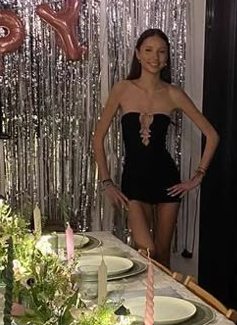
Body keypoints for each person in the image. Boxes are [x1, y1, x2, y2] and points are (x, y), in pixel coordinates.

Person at [93, 28, 219, 268]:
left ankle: (162, 305)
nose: (155, 57)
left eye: (162, 51)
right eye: (149, 50)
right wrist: (107, 183)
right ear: (138, 54)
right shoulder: (122, 89)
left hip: (166, 182)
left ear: (167, 57)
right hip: (134, 183)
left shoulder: (173, 94)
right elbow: (98, 138)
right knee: (147, 252)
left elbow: (212, 135)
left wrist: (197, 176)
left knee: (162, 257)